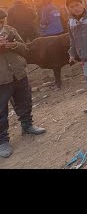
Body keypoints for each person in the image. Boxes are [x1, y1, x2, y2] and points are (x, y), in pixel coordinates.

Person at [0, 9, 46, 158]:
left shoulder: (10, 30)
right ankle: (2, 141)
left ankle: (27, 125)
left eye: (2, 21)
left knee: (24, 101)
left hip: (18, 73)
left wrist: (14, 45)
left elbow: (25, 49)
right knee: (1, 110)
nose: (1, 23)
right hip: (1, 79)